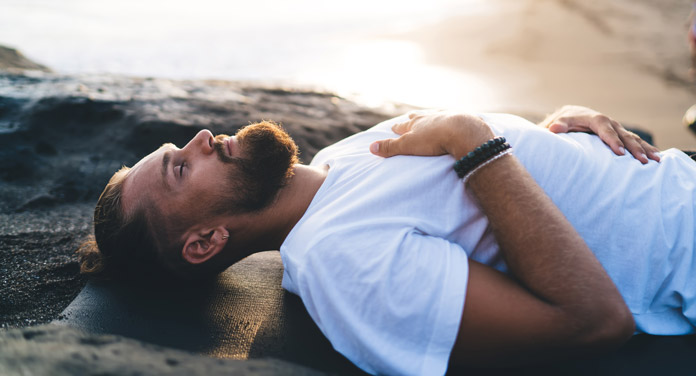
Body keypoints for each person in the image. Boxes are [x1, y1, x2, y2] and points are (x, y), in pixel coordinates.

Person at [79, 105, 694, 375]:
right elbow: (591, 320)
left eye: (177, 150)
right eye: (181, 168)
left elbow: (509, 186)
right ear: (206, 241)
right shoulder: (341, 260)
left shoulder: (336, 159)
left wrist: (558, 129)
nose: (202, 137)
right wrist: (471, 141)